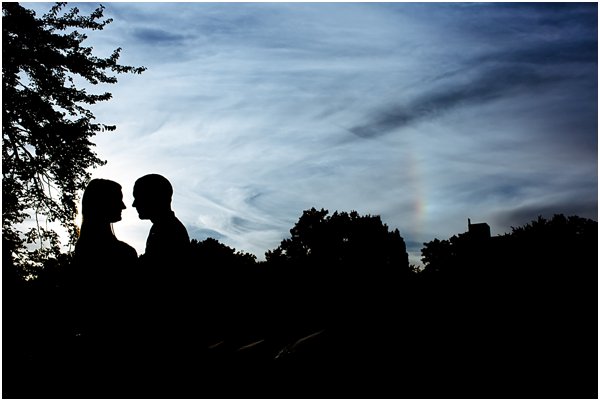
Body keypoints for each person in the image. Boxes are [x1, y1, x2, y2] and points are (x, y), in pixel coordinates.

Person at [132, 173, 190, 266]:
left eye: (138, 197)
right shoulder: (161, 227)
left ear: (153, 198)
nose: (134, 204)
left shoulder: (169, 230)